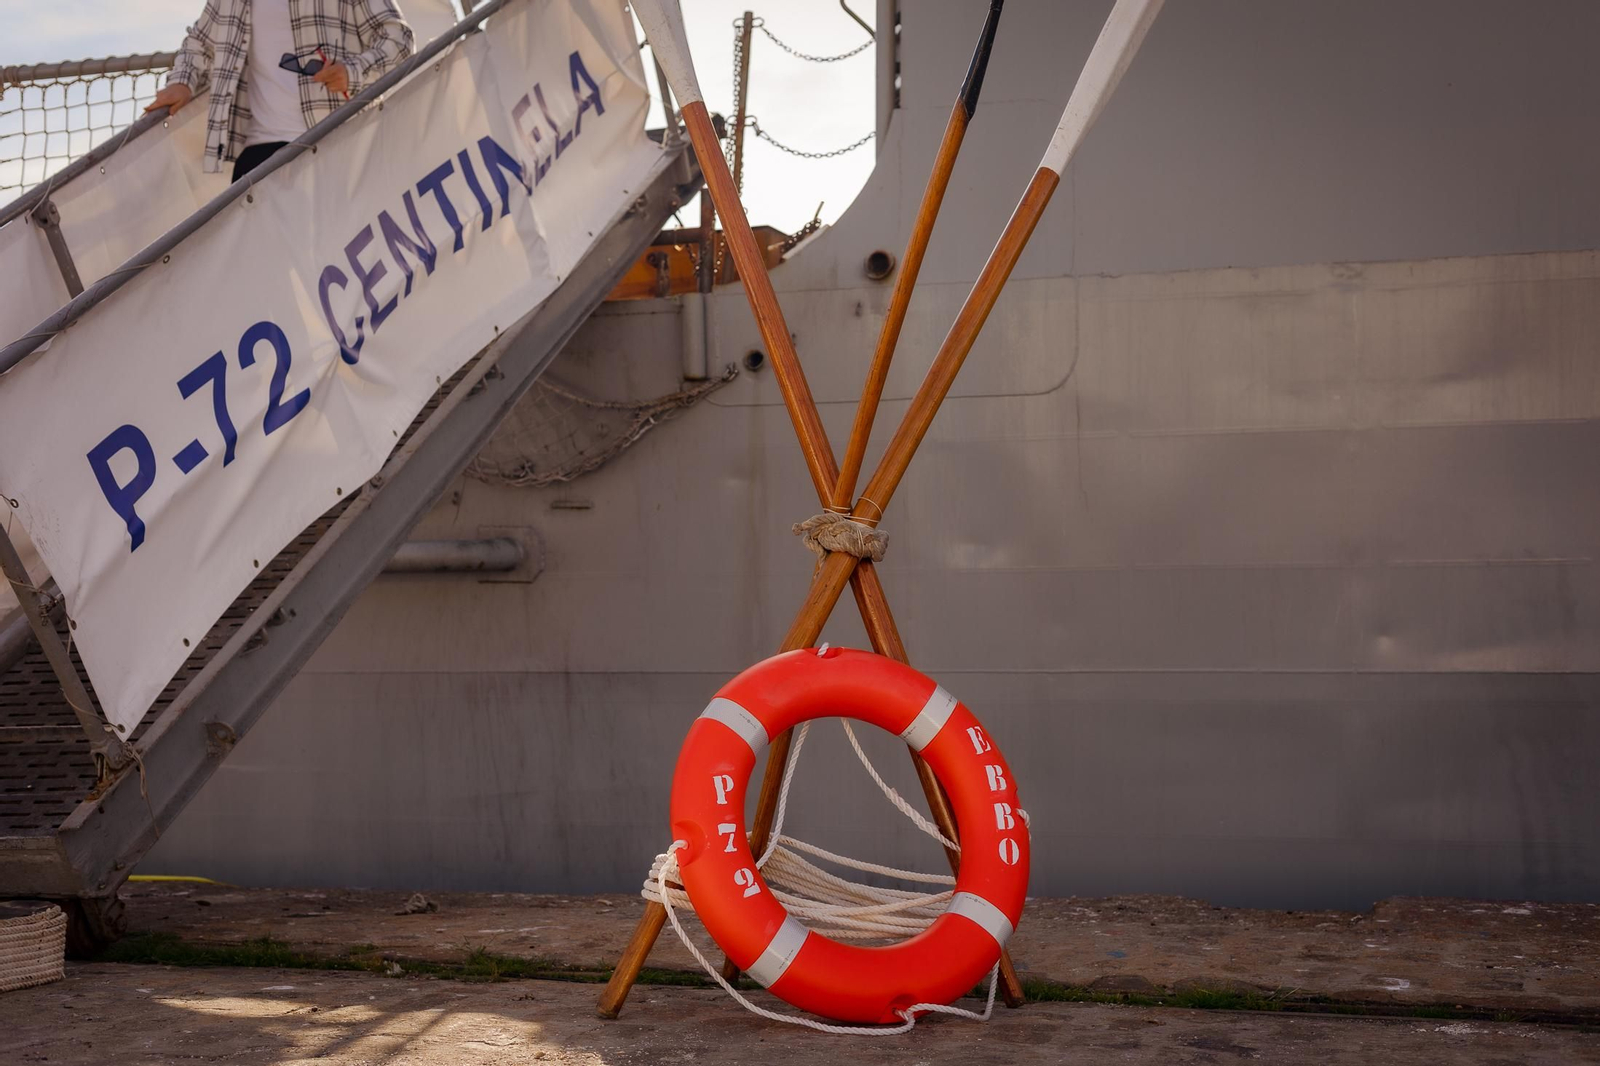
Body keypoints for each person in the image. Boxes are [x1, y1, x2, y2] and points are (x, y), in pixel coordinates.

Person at [144, 0, 414, 183]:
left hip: (338, 144)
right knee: (254, 263)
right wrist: (181, 83)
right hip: (259, 154)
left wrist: (352, 72)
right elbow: (199, 44)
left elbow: (399, 39)